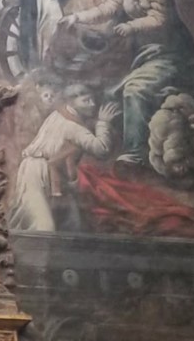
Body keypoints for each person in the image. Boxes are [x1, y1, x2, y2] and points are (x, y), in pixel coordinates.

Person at [68, 0, 194, 166]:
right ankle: (110, 146)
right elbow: (104, 11)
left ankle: (135, 154)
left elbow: (159, 19)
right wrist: (77, 17)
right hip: (142, 57)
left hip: (169, 56)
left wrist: (132, 26)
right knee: (111, 90)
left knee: (134, 90)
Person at [10, 83, 120, 231]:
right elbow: (102, 149)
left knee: (73, 225)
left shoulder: (59, 114)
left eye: (93, 100)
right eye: (86, 101)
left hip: (50, 172)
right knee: (43, 227)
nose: (92, 105)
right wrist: (104, 123)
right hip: (37, 172)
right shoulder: (72, 126)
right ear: (72, 101)